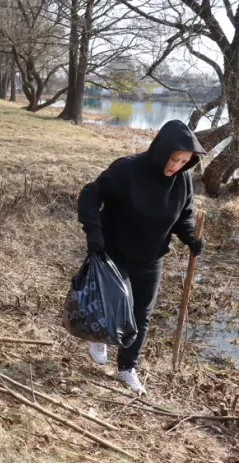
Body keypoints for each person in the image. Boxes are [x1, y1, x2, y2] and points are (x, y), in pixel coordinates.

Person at [77, 119, 206, 395]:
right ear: (162, 151)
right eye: (173, 159)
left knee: (141, 314)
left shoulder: (182, 180)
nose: (176, 166)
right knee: (112, 305)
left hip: (151, 255)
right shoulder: (126, 169)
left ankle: (126, 368)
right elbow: (90, 194)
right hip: (114, 249)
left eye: (184, 162)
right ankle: (99, 337)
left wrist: (190, 238)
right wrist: (94, 234)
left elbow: (183, 216)